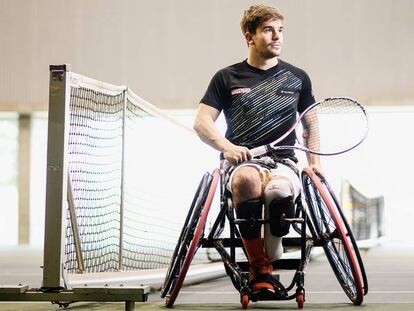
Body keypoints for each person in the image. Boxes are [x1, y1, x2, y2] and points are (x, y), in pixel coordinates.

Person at [193, 4, 321, 297]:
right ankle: (260, 267)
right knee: (246, 181)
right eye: (268, 30)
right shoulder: (227, 77)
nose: (277, 36)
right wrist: (227, 147)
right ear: (250, 37)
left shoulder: (298, 78)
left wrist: (315, 165)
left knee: (279, 193)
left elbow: (311, 126)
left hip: (284, 163)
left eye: (280, 30)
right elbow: (201, 122)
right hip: (245, 162)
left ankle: (272, 252)